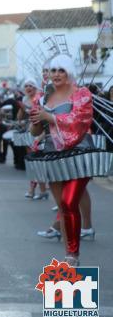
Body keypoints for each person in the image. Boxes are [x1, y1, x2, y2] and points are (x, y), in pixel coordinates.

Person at [26, 54, 109, 266]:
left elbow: (80, 121)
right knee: (63, 208)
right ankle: (68, 254)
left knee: (69, 201)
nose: (56, 75)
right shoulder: (43, 97)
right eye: (53, 71)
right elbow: (35, 130)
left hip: (78, 155)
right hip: (53, 156)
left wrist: (50, 117)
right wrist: (37, 119)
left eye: (61, 70)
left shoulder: (81, 94)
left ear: (69, 72)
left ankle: (73, 254)